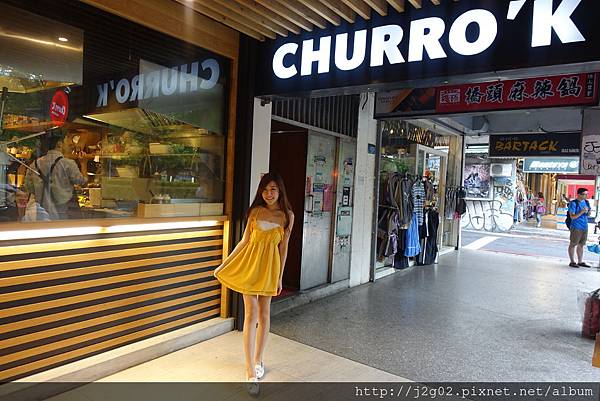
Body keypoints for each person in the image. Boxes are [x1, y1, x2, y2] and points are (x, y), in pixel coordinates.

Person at [214, 172, 294, 385]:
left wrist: (280, 277)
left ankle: (259, 360)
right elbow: (244, 242)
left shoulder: (287, 216)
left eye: (273, 189)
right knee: (250, 314)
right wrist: (225, 264)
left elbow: (283, 249)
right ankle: (250, 368)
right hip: (249, 267)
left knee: (265, 315)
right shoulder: (255, 212)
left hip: (269, 270)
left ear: (280, 191)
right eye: (265, 189)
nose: (269, 193)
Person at [25, 132, 85, 220]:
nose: (70, 145)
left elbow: (29, 188)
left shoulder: (34, 165)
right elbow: (82, 182)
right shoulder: (68, 164)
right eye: (66, 142)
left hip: (41, 213)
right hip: (63, 212)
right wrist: (83, 163)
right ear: (59, 144)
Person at [568, 188, 591, 268]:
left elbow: (588, 214)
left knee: (581, 244)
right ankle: (572, 261)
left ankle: (580, 261)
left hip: (585, 226)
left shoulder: (586, 202)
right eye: (584, 194)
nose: (586, 196)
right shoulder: (573, 203)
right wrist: (582, 211)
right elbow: (572, 217)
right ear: (579, 194)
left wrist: (588, 212)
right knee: (573, 244)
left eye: (587, 194)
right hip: (576, 226)